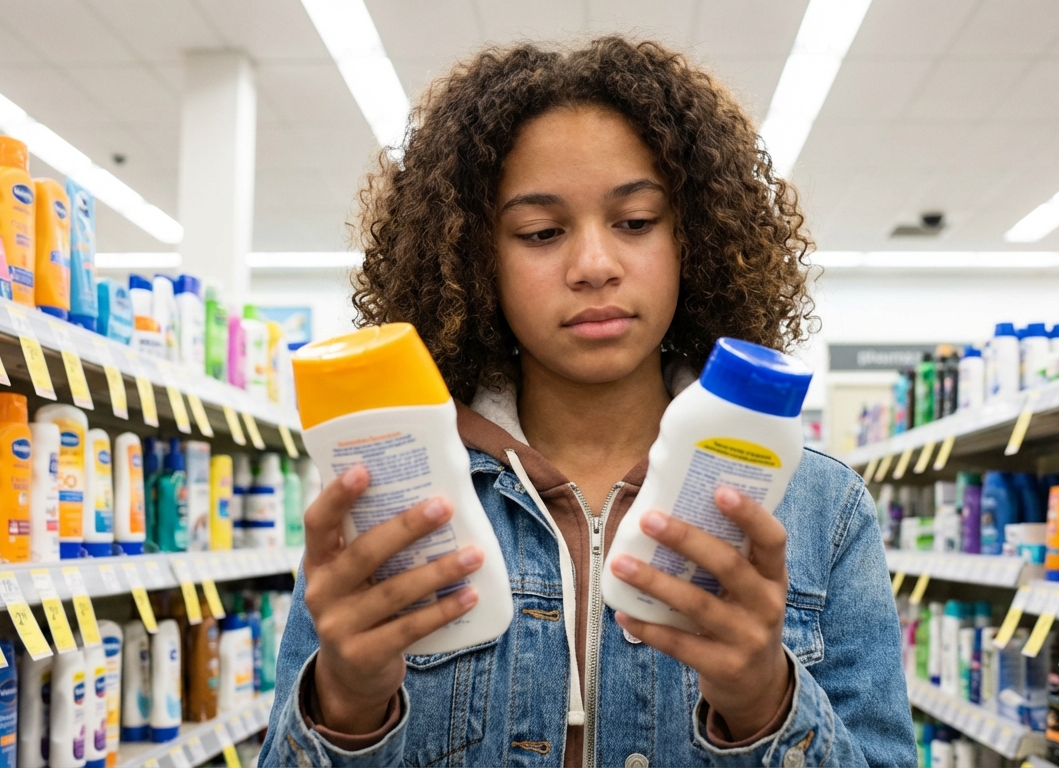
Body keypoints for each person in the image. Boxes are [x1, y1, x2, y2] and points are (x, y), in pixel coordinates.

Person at [260, 36, 915, 767]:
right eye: (541, 233)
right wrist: (345, 706)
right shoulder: (388, 498)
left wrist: (767, 703)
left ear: (692, 238)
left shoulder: (820, 506)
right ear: (476, 257)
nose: (595, 266)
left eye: (635, 222)